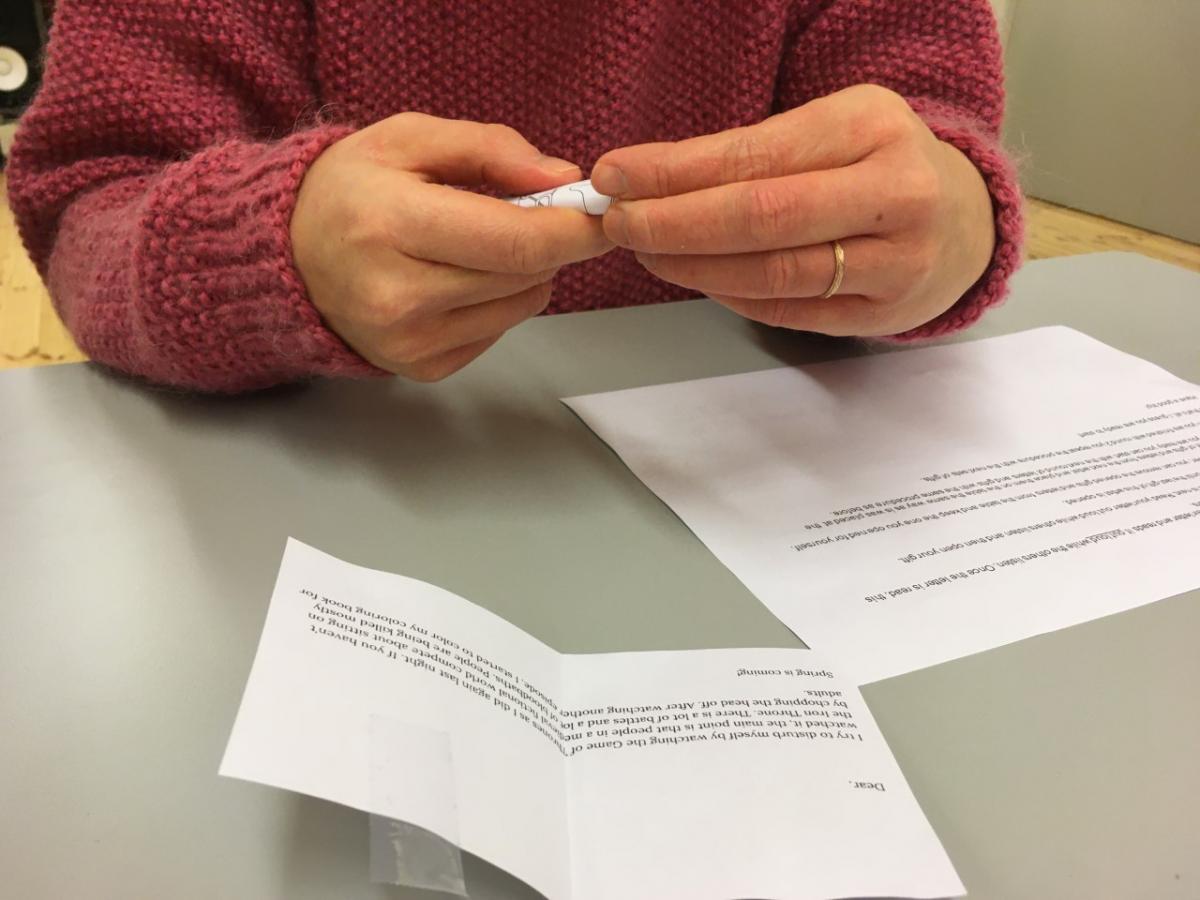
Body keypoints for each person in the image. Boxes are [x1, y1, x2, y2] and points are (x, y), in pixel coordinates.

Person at [9, 0, 1022, 393]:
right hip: (347, 511)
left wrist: (953, 223)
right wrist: (271, 246)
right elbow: (90, 205)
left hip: (781, 496)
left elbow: (931, 123)